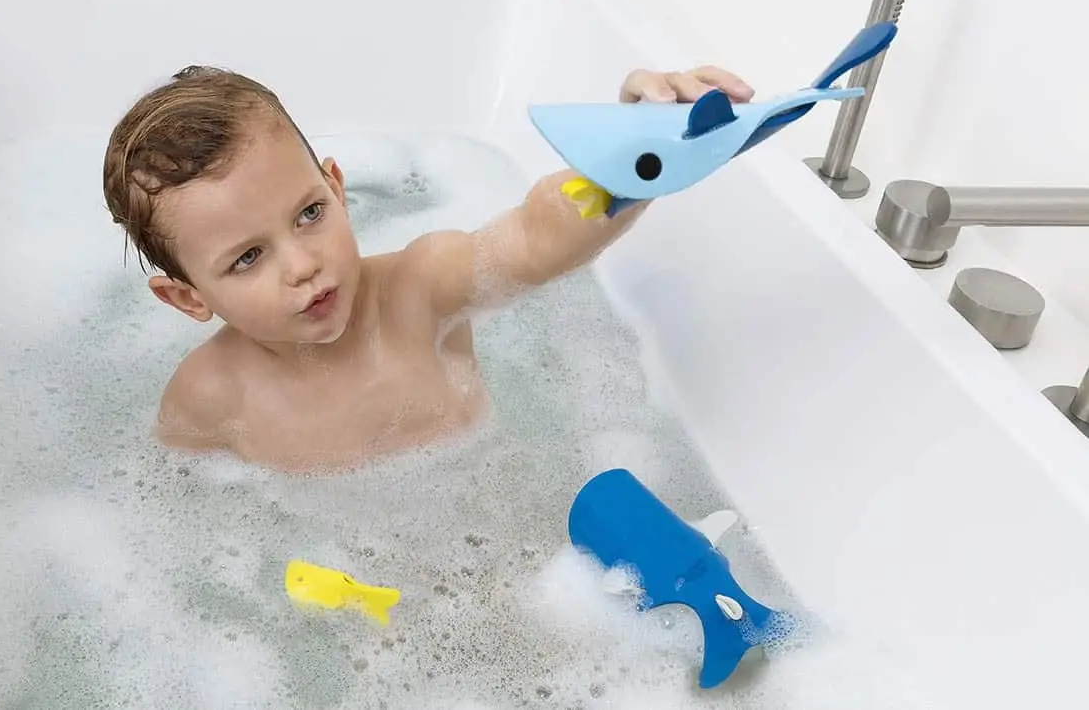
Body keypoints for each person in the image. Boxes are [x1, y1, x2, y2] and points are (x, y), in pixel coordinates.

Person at [102, 64, 753, 473]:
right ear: (188, 298)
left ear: (336, 188)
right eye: (248, 257)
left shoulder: (422, 287)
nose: (302, 264)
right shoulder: (207, 395)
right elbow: (186, 521)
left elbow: (537, 236)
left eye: (308, 214)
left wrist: (634, 154)